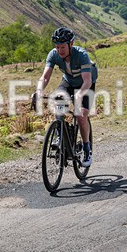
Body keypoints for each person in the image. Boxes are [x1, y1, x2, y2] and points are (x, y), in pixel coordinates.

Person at [35, 27, 97, 167]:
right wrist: (38, 91)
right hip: (68, 82)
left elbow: (87, 80)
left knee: (81, 115)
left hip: (85, 84)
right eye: (57, 47)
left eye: (62, 47)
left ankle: (87, 148)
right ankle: (59, 133)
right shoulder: (53, 55)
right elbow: (45, 77)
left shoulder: (81, 55)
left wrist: (80, 94)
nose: (60, 50)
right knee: (59, 101)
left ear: (71, 44)